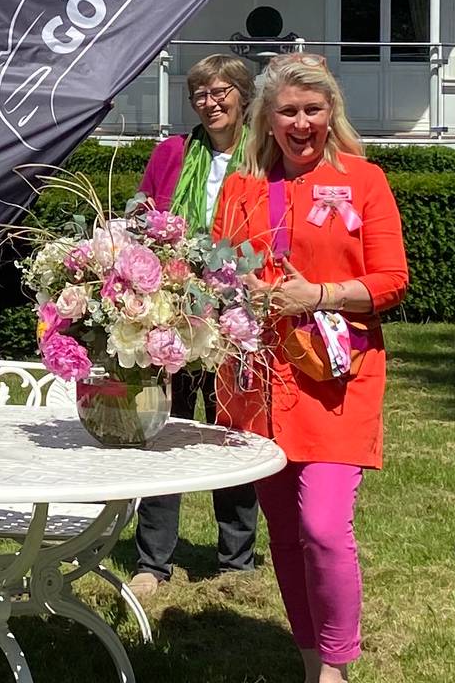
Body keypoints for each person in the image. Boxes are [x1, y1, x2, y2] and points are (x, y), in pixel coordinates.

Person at [212, 54, 409, 683]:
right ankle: (309, 660)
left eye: (313, 110)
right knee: (286, 532)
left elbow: (392, 281)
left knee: (324, 526)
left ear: (332, 113)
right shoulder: (242, 187)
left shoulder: (364, 180)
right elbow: (218, 269)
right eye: (288, 111)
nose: (301, 124)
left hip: (336, 377)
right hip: (259, 379)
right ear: (267, 119)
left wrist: (318, 295)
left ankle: (338, 665)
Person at [125, 52, 264, 597]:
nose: (211, 103)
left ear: (244, 95)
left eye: (221, 91)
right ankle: (151, 561)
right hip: (176, 311)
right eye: (201, 95)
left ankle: (237, 559)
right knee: (165, 429)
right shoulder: (173, 152)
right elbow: (142, 212)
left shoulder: (263, 155)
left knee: (233, 432)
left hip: (238, 310)